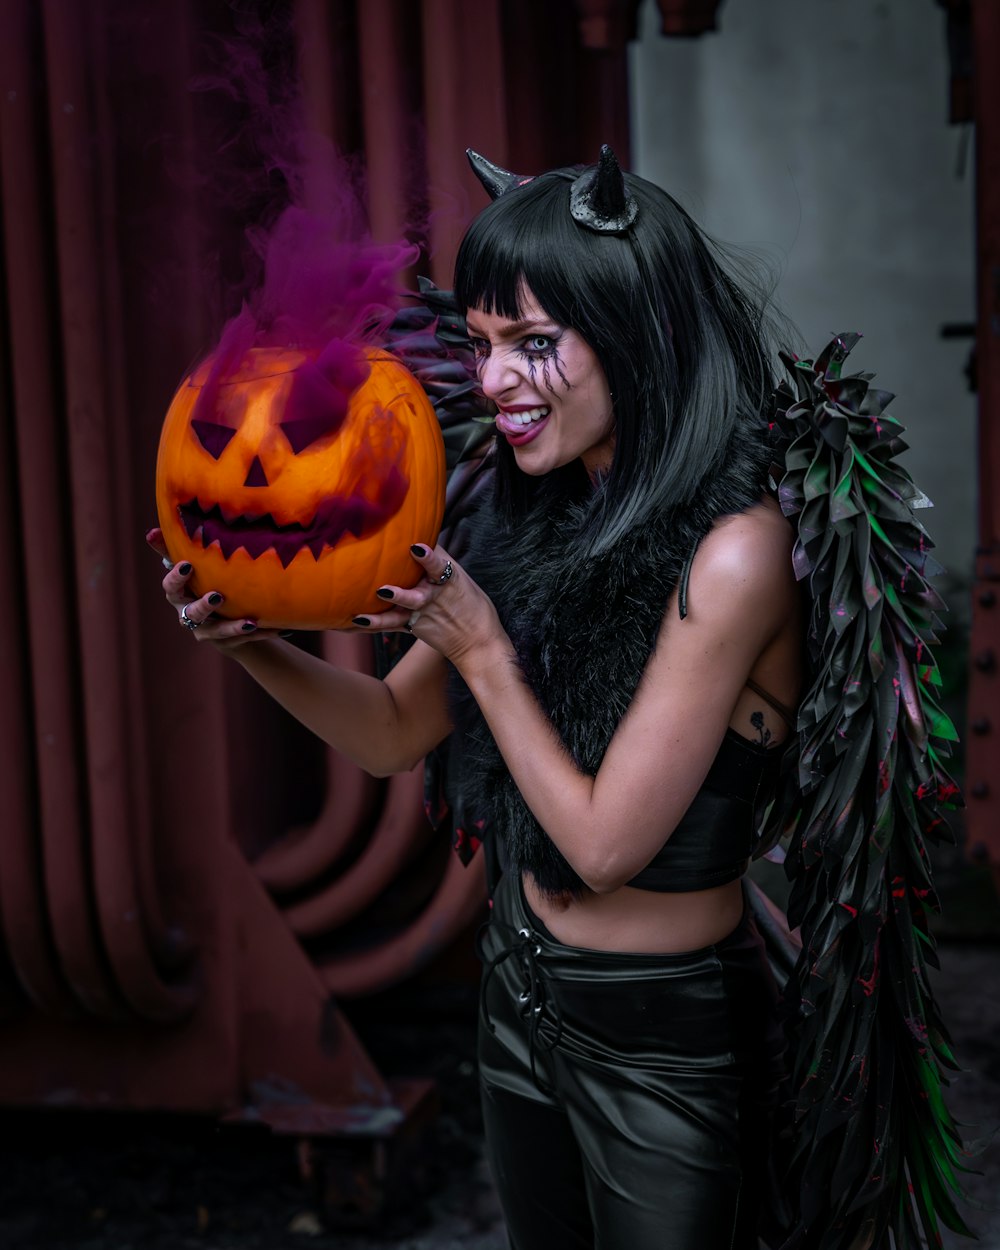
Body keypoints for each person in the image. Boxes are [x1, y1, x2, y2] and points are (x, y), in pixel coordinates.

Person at [154, 146, 805, 1250]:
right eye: (481, 342)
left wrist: (486, 648)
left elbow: (604, 845)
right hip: (517, 998)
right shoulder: (529, 513)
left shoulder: (736, 553)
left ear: (640, 336)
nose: (493, 380)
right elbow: (392, 731)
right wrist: (252, 644)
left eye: (534, 344)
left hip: (666, 1042)